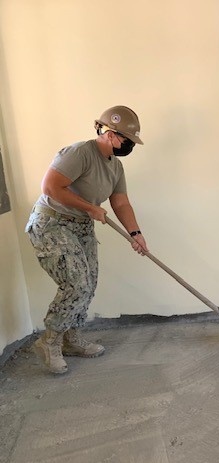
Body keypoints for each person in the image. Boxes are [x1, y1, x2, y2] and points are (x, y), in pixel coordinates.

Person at [25, 105, 149, 374]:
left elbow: (121, 202)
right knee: (77, 282)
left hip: (80, 226)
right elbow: (50, 187)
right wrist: (89, 207)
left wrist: (135, 234)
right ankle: (50, 341)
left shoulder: (115, 166)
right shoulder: (80, 152)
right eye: (126, 141)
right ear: (108, 132)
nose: (129, 146)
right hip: (52, 223)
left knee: (89, 282)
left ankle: (71, 339)